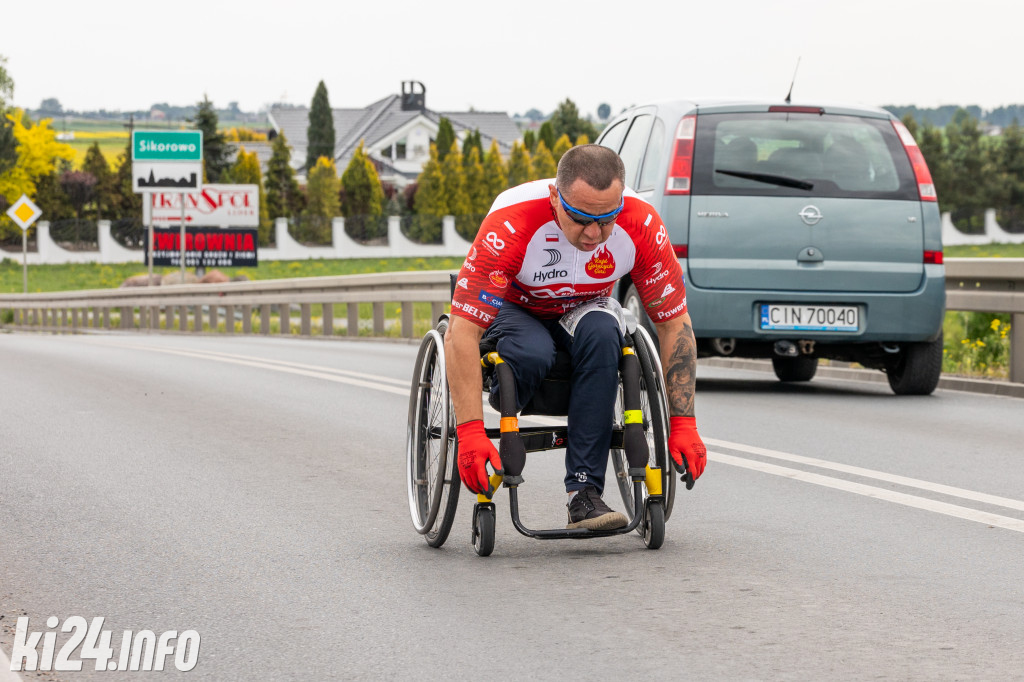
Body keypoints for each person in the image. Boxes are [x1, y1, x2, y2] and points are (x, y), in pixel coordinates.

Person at [445, 144, 706, 531]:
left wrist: (683, 422)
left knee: (606, 335)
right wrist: (469, 430)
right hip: (517, 305)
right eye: (580, 218)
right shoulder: (511, 222)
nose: (593, 234)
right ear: (555, 197)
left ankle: (584, 494)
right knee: (532, 351)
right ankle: (511, 394)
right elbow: (461, 331)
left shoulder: (641, 225)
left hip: (585, 306)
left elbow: (673, 324)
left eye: (606, 220)